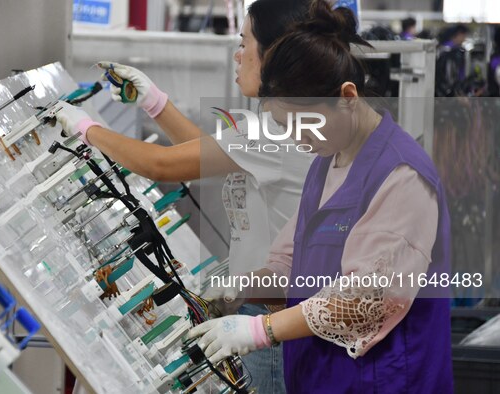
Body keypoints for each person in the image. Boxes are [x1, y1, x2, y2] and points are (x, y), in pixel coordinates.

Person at [187, 1, 453, 392]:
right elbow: (291, 267)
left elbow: (368, 297)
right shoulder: (327, 163)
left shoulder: (401, 174)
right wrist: (242, 288)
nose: (298, 139)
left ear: (347, 97)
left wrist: (261, 330)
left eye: (304, 124)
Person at [56, 1, 314, 392]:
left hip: (271, 320)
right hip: (267, 311)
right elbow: (206, 155)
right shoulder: (288, 123)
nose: (237, 54)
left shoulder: (275, 132)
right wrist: (154, 102)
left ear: (275, 54)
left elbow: (162, 165)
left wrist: (86, 128)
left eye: (245, 43)